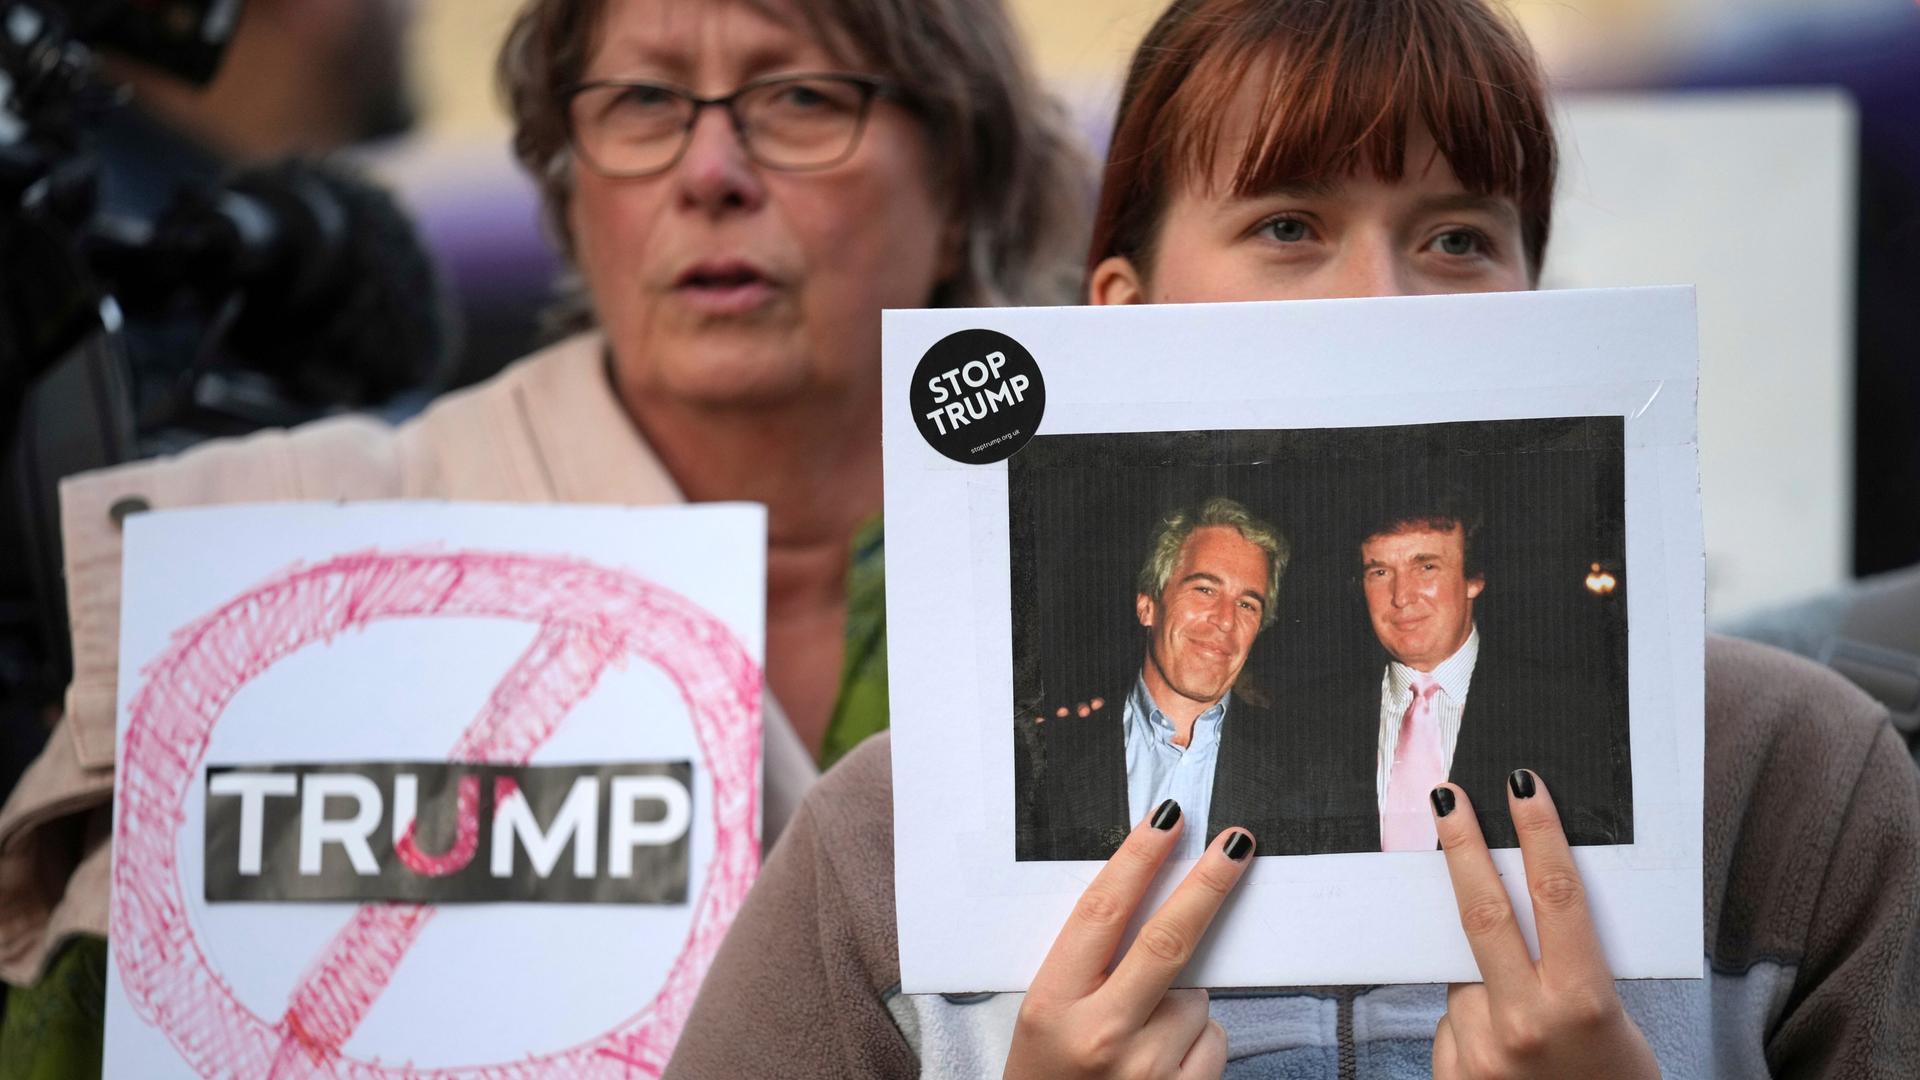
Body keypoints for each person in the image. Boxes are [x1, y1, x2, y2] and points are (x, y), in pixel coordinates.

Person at [662, 0, 1920, 1076]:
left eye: (1458, 239)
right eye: (1288, 225)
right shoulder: (889, 842)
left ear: (1535, 296)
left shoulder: (1792, 783)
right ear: (1125, 311)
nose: (1381, 298)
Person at [0, 0, 1086, 1072]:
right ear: (568, 183)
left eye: (801, 98)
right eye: (642, 101)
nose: (710, 171)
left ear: (962, 181)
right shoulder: (273, 555)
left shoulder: (1111, 572)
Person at [1327, 487, 1631, 852]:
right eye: (1379, 572)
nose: (1401, 596)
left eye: (1426, 567)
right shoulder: (1312, 719)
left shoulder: (1570, 713)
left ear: (1474, 579)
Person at [1020, 496, 1288, 861]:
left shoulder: (1309, 773)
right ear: (1148, 607)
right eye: (1204, 589)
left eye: (1247, 604)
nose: (1226, 620)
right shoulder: (1048, 756)